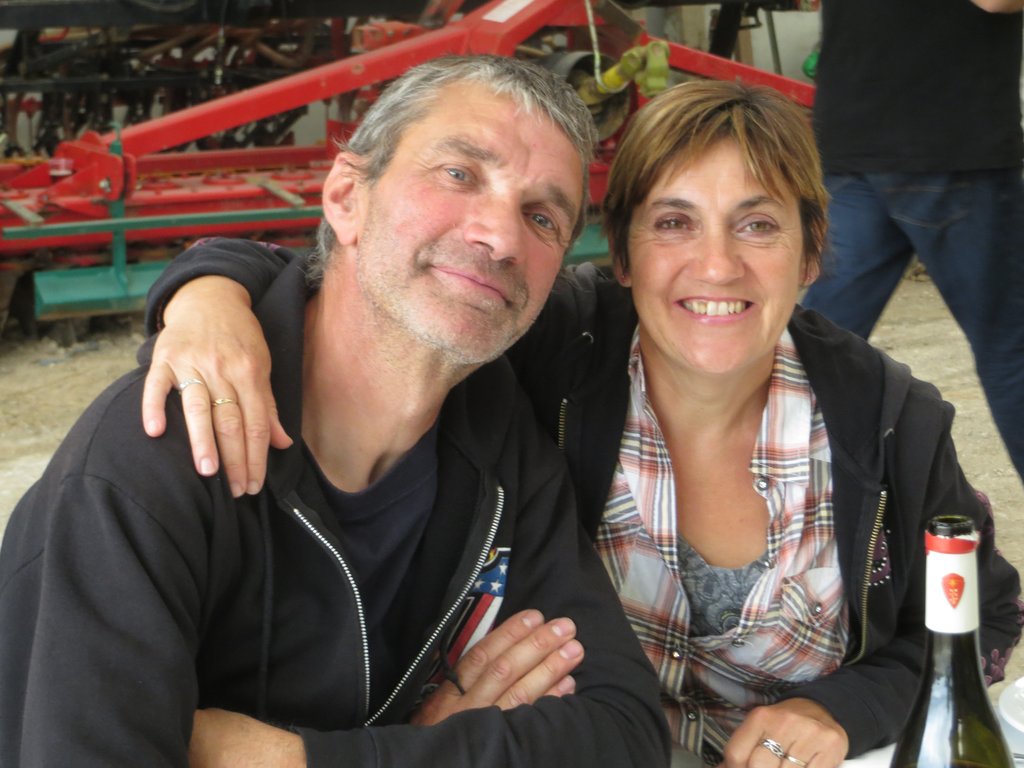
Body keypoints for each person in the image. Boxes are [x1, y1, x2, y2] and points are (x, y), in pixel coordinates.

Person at [134, 79, 1023, 767]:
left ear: (813, 254)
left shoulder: (885, 422)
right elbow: (374, 278)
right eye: (673, 222)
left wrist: (843, 707)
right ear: (623, 253)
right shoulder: (556, 350)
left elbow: (982, 617)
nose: (716, 265)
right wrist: (209, 292)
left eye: (757, 225)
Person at [0, 54, 672, 767]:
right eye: (459, 174)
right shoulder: (150, 465)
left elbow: (624, 735)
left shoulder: (501, 446)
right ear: (347, 196)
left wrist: (300, 759)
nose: (502, 238)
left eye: (541, 217)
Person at [800, 0, 1024, 483]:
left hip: (853, 135)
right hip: (950, 139)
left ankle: (766, 505)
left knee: (812, 353)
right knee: (1011, 351)